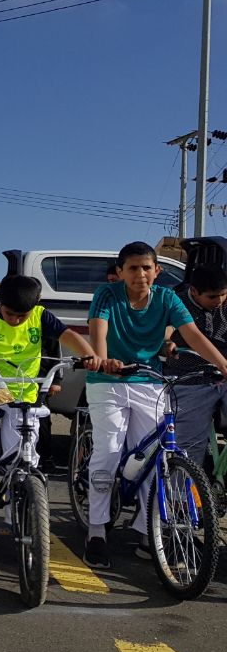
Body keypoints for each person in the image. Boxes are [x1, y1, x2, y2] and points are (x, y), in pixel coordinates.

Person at [83, 242, 227, 569]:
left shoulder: (166, 298)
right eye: (133, 268)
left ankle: (149, 532)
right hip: (110, 383)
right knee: (108, 450)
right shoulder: (107, 296)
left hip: (150, 381)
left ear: (157, 271)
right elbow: (98, 333)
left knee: (156, 456)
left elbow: (193, 335)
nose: (141, 274)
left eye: (147, 268)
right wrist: (104, 360)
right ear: (120, 272)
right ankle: (96, 531)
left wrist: (222, 364)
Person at [0, 276, 97, 532]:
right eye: (9, 313)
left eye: (21, 316)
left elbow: (67, 335)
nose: (15, 319)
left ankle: (22, 513)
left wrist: (90, 356)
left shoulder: (40, 315)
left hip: (24, 391)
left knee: (26, 455)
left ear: (35, 306)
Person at [165, 265, 227, 467]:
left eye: (223, 295)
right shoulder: (177, 302)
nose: (218, 301)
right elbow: (166, 330)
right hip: (190, 379)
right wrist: (165, 343)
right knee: (188, 445)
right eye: (212, 297)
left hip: (224, 377)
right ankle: (183, 496)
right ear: (193, 291)